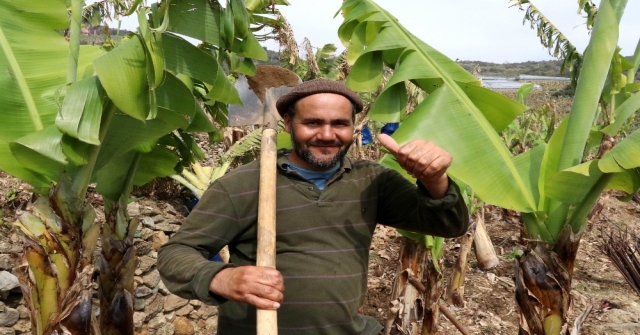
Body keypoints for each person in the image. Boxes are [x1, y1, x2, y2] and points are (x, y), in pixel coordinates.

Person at [157, 79, 469, 334]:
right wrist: (223, 278)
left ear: (353, 127)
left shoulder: (372, 181)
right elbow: (176, 255)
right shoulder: (244, 184)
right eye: (313, 122)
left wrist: (435, 180)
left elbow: (448, 225)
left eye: (339, 124)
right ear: (288, 122)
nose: (327, 134)